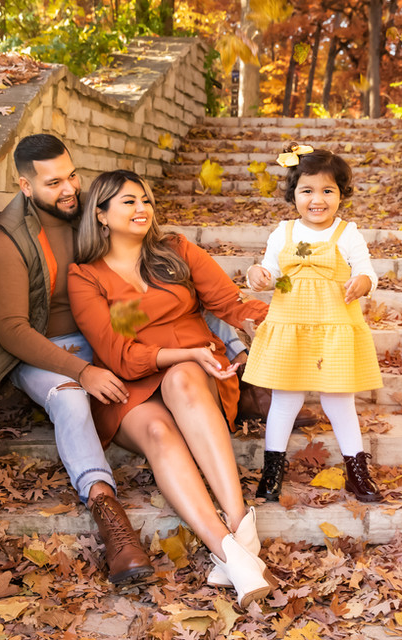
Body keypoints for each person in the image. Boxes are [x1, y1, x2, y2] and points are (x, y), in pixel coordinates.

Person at [0, 135, 248, 585]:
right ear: (25, 186)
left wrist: (229, 333)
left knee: (177, 317)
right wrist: (85, 371)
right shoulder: (7, 240)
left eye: (72, 175)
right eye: (53, 182)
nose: (69, 189)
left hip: (109, 333)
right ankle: (108, 512)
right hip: (50, 350)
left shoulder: (88, 211)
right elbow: (13, 332)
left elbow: (155, 290)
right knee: (71, 400)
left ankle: (239, 390)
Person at [68, 170, 274, 608]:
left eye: (146, 200)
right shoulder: (87, 277)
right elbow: (118, 352)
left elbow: (228, 303)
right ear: (100, 215)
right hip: (132, 386)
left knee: (182, 377)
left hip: (196, 379)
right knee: (160, 431)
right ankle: (233, 553)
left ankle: (237, 525)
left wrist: (270, 316)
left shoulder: (175, 253)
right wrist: (181, 354)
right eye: (128, 202)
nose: (142, 208)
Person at [242, 143, 384, 503]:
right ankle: (272, 469)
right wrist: (257, 274)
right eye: (307, 190)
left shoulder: (346, 233)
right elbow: (271, 270)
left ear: (340, 195)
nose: (316, 199)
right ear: (294, 194)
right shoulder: (283, 233)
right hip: (291, 326)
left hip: (333, 327)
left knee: (339, 402)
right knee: (284, 401)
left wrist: (364, 282)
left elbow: (367, 270)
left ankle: (356, 470)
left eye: (327, 191)